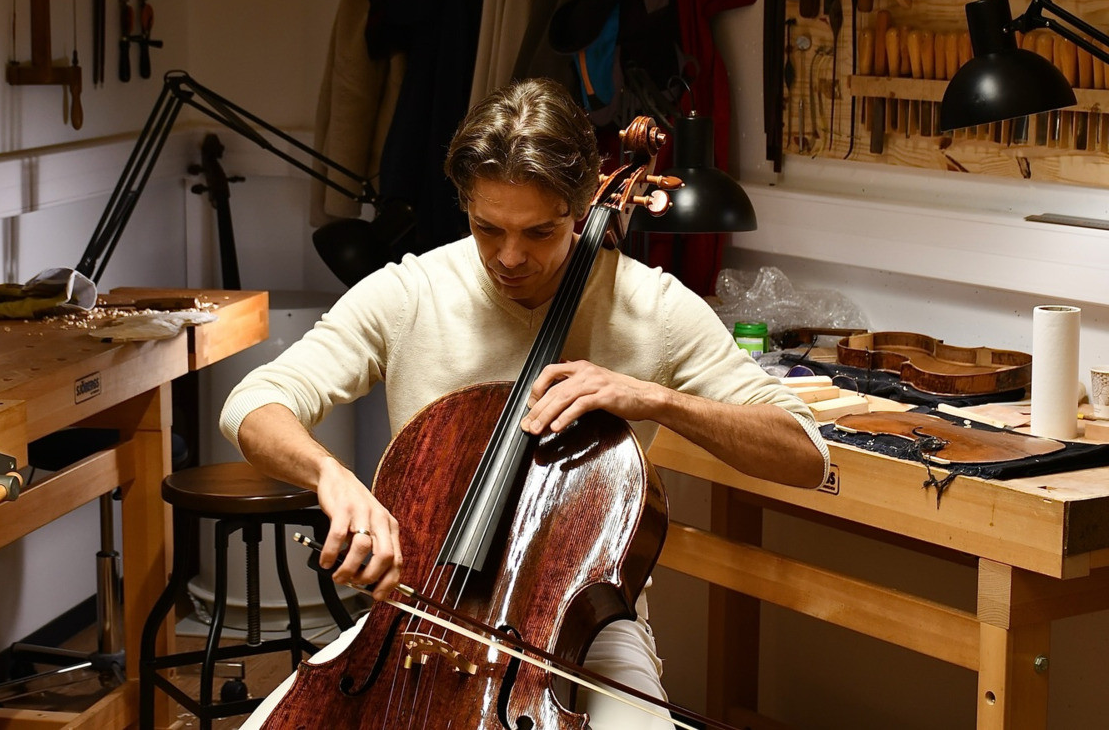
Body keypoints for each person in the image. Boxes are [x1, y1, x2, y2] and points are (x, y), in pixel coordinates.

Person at [220, 77, 829, 728]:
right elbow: (255, 402)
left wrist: (654, 399)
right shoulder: (412, 293)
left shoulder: (656, 309)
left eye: (539, 233)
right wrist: (330, 476)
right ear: (465, 205)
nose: (509, 258)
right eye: (488, 228)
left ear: (581, 206)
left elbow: (806, 455)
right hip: (416, 616)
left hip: (584, 630)